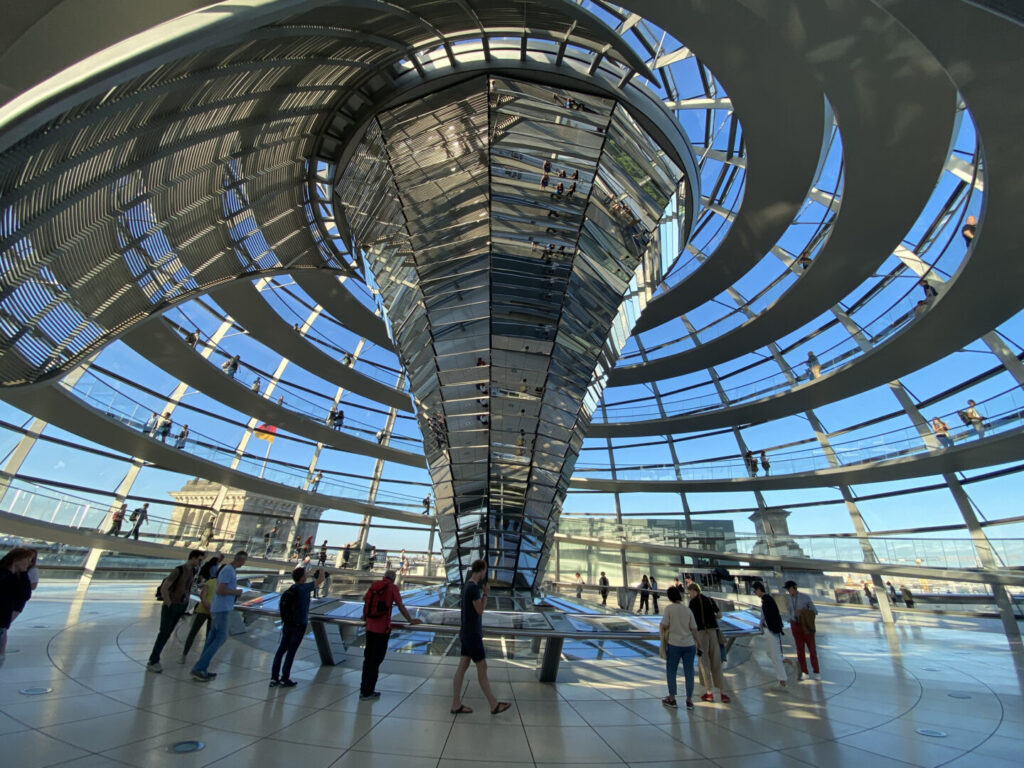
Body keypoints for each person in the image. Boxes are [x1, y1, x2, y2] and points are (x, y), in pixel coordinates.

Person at [449, 560, 510, 715]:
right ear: (481, 570)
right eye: (485, 570)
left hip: (466, 633)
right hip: (472, 635)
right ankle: (493, 704)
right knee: (482, 667)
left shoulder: (466, 587)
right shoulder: (474, 588)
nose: (485, 574)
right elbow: (480, 610)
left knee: (462, 668)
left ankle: (456, 704)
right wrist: (486, 594)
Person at [359, 569, 422, 699]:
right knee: (376, 661)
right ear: (393, 579)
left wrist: (364, 617)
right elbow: (400, 606)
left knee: (368, 660)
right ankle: (368, 691)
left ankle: (363, 689)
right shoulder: (392, 588)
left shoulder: (374, 586)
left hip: (369, 627)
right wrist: (410, 620)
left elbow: (367, 602)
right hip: (382, 629)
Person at [191, 550, 247, 681]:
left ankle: (202, 667)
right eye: (244, 561)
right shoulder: (228, 570)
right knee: (220, 638)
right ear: (241, 560)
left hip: (220, 608)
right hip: (221, 609)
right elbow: (220, 590)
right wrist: (236, 592)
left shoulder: (229, 570)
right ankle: (199, 667)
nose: (244, 564)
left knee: (211, 639)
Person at [147, 549, 204, 672]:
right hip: (172, 605)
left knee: (167, 633)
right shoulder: (178, 570)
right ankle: (153, 660)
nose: (201, 562)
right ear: (193, 558)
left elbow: (188, 588)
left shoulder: (193, 571)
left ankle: (155, 658)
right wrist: (169, 603)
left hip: (181, 605)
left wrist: (186, 602)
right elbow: (165, 588)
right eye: (199, 559)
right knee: (164, 633)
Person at [270, 566, 326, 687]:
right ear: (302, 578)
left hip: (287, 624)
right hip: (299, 624)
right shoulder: (304, 588)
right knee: (291, 652)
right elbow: (321, 579)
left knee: (281, 651)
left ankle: (274, 678)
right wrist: (321, 569)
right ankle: (285, 678)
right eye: (305, 575)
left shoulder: (292, 588)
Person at [688, 583, 728, 702]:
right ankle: (722, 693)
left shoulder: (693, 603)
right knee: (716, 661)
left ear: (694, 591)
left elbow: (691, 621)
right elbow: (719, 615)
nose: (689, 595)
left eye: (689, 592)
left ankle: (709, 692)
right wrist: (711, 618)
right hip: (713, 633)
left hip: (701, 635)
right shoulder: (709, 600)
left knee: (704, 662)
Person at [660, 585, 699, 709]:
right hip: (689, 645)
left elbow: (664, 624)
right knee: (689, 672)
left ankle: (672, 698)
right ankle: (689, 700)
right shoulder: (687, 610)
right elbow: (694, 628)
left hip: (674, 644)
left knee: (671, 670)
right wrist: (699, 644)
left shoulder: (669, 609)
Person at [181, 556, 220, 662]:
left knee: (193, 632)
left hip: (204, 609)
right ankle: (204, 658)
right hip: (212, 611)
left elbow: (203, 596)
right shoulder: (222, 585)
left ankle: (184, 655)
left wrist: (207, 605)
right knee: (208, 635)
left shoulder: (210, 582)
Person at [0, 547, 36, 654]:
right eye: (27, 560)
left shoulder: (13, 576)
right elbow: (25, 595)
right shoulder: (7, 576)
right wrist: (24, 574)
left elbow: (25, 595)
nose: (29, 563)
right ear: (16, 560)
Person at [752, 582, 786, 687]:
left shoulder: (767, 600)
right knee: (771, 653)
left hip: (772, 630)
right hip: (771, 629)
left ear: (758, 590)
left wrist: (767, 625)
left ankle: (782, 679)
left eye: (755, 591)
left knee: (775, 655)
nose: (755, 593)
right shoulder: (767, 600)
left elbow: (769, 616)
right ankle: (784, 666)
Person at [784, 580, 819, 680]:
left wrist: (802, 612)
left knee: (812, 649)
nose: (788, 591)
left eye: (789, 588)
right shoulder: (789, 599)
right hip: (795, 625)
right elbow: (789, 610)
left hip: (806, 626)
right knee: (800, 650)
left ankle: (816, 671)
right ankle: (805, 672)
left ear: (793, 588)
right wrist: (792, 617)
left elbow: (814, 611)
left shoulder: (805, 598)